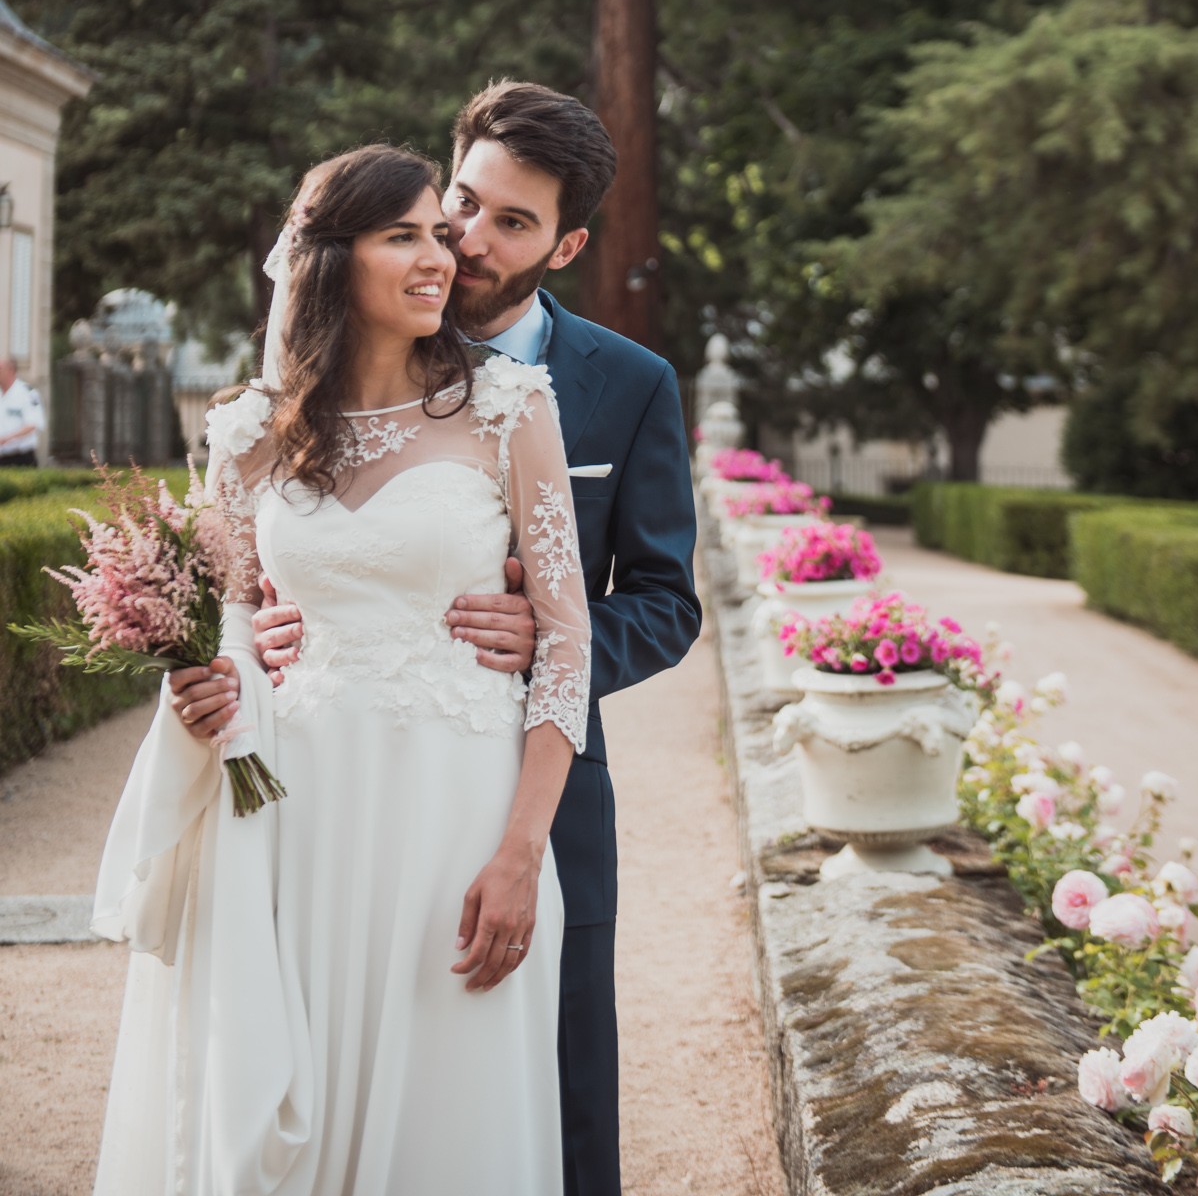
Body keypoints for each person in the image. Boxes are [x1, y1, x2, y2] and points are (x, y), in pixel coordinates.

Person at [179, 83, 703, 1196]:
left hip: (520, 786)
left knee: (546, 1108)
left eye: (508, 222)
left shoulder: (617, 387)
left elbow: (665, 598)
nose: (462, 241)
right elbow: (261, 556)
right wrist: (267, 620)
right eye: (457, 203)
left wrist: (548, 635)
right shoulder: (310, 373)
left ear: (562, 242)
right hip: (323, 787)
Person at [95, 143, 590, 1195]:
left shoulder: (509, 407)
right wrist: (210, 681)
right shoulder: (248, 435)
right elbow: (225, 612)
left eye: (435, 233)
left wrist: (519, 850)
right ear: (328, 260)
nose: (441, 256)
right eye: (401, 234)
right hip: (292, 805)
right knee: (292, 1102)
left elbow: (567, 642)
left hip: (459, 807)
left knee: (449, 1101)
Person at [0, 355, 44, 467]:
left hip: (21, 458)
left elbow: (33, 424)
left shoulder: (27, 393)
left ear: (10, 370)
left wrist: (6, 438)